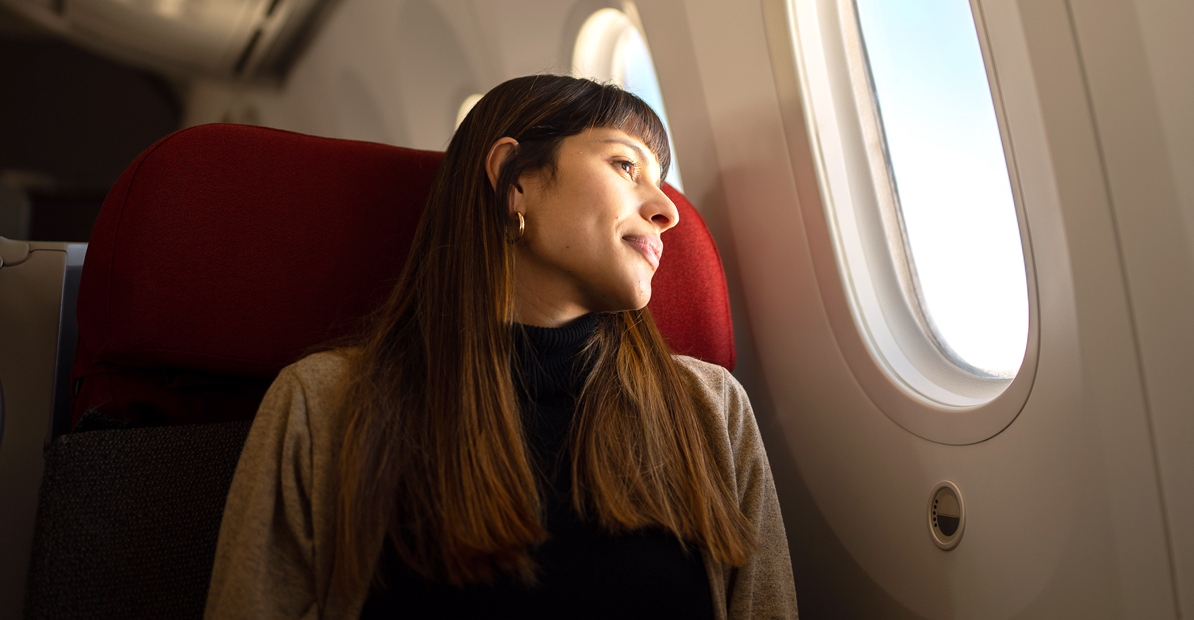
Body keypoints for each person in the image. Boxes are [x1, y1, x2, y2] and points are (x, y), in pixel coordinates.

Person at [203, 74, 797, 620]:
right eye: (625, 165)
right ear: (516, 182)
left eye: (660, 182)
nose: (668, 211)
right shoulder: (324, 406)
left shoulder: (711, 408)